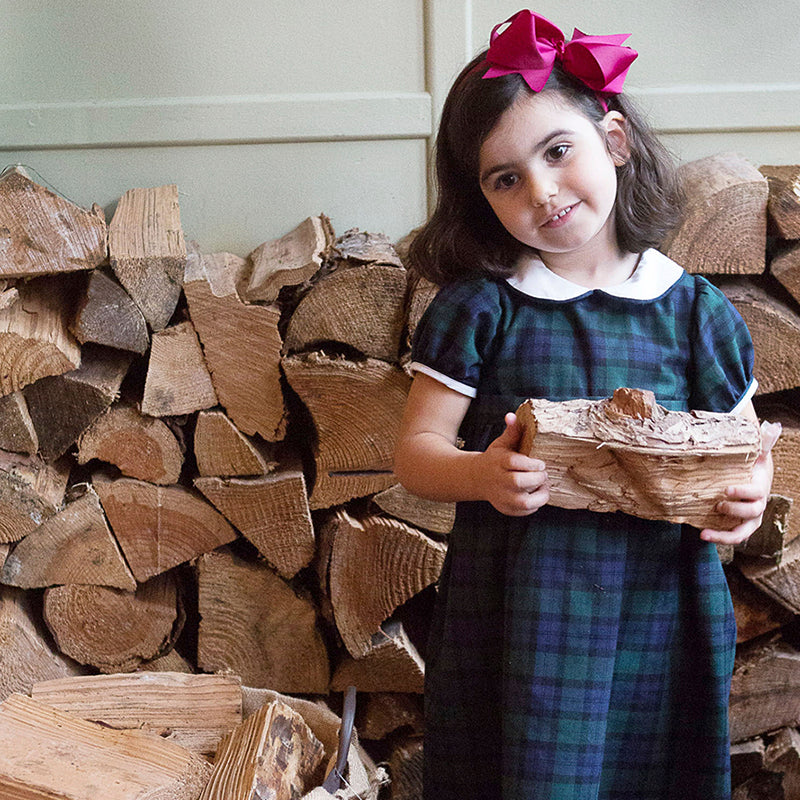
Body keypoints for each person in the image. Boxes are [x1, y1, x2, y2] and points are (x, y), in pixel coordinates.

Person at [393, 10, 775, 800]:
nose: (541, 190)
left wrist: (748, 500)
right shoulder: (482, 309)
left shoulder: (695, 313)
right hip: (518, 614)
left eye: (557, 151)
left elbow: (745, 450)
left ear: (616, 140)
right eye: (505, 178)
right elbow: (415, 454)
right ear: (480, 198)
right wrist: (481, 475)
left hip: (659, 609)